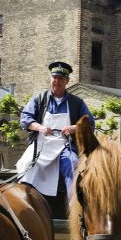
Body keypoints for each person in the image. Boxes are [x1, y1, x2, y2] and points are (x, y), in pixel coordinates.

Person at [16, 61, 94, 198]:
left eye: (61, 79)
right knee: (27, 164)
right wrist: (39, 127)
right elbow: (25, 119)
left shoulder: (77, 103)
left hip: (64, 146)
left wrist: (74, 128)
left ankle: (73, 203)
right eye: (54, 78)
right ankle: (26, 199)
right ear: (50, 79)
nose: (57, 82)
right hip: (41, 144)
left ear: (67, 81)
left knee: (73, 163)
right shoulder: (39, 99)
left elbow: (90, 124)